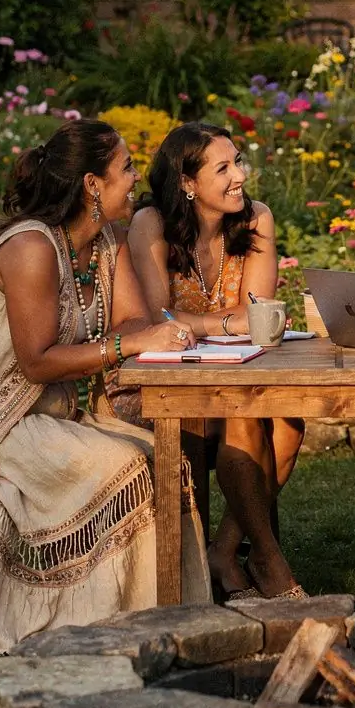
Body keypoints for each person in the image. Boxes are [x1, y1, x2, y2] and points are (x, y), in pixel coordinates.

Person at [0, 120, 210, 655]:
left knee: (165, 457)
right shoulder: (32, 249)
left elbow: (128, 321)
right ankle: (94, 630)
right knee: (121, 469)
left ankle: (169, 620)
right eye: (125, 168)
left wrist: (140, 336)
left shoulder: (105, 243)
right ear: (91, 185)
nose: (134, 178)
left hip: (48, 409)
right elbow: (36, 362)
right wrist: (129, 347)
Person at [128, 123, 305, 602]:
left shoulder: (255, 219)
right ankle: (268, 560)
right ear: (187, 183)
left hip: (235, 371)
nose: (239, 176)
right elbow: (155, 317)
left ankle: (226, 551)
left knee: (289, 424)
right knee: (245, 419)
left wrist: (201, 323)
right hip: (160, 381)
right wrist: (227, 323)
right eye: (223, 167)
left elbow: (260, 312)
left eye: (239, 162)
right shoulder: (152, 224)